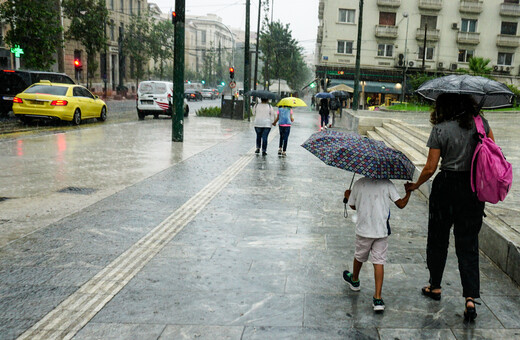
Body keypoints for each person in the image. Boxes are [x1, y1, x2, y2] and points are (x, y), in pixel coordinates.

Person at [404, 93, 493, 321]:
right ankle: (470, 299)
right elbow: (492, 153)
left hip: (446, 188)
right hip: (473, 189)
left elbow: (430, 167)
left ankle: (435, 286)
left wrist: (416, 185)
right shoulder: (481, 124)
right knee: (468, 243)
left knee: (437, 238)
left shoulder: (441, 128)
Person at [343, 177, 411, 312]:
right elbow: (401, 204)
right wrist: (408, 192)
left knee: (359, 256)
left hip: (364, 230)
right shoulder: (387, 184)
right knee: (379, 262)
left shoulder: (359, 183)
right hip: (381, 231)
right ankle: (378, 298)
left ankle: (355, 280)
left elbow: (353, 205)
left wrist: (348, 195)